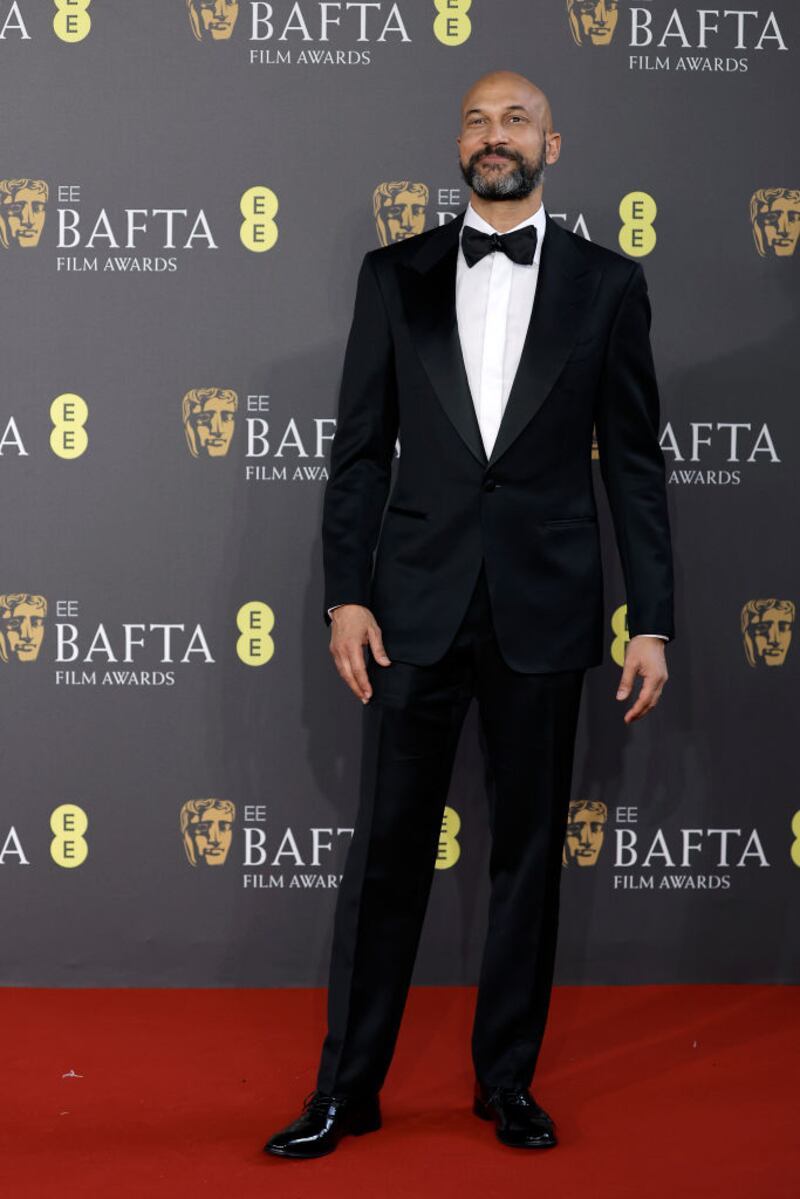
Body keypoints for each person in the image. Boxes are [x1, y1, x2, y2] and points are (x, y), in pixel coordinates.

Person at [264, 69, 674, 1158]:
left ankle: (507, 1084)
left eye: (516, 120)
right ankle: (347, 1090)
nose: (495, 137)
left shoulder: (605, 283)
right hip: (411, 607)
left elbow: (633, 464)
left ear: (554, 141)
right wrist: (346, 593)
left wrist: (650, 620)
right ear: (458, 141)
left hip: (546, 610)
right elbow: (355, 454)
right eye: (477, 120)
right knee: (386, 854)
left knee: (527, 855)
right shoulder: (390, 276)